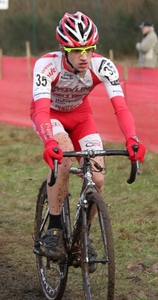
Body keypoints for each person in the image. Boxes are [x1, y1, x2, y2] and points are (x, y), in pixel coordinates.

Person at [30, 11, 146, 261]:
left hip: (81, 116)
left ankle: (83, 236)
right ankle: (54, 228)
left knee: (98, 176)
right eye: (77, 50)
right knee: (65, 160)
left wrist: (132, 138)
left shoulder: (103, 65)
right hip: (50, 115)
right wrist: (50, 141)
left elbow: (121, 107)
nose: (84, 56)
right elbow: (40, 109)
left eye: (90, 49)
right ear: (64, 48)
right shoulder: (46, 65)